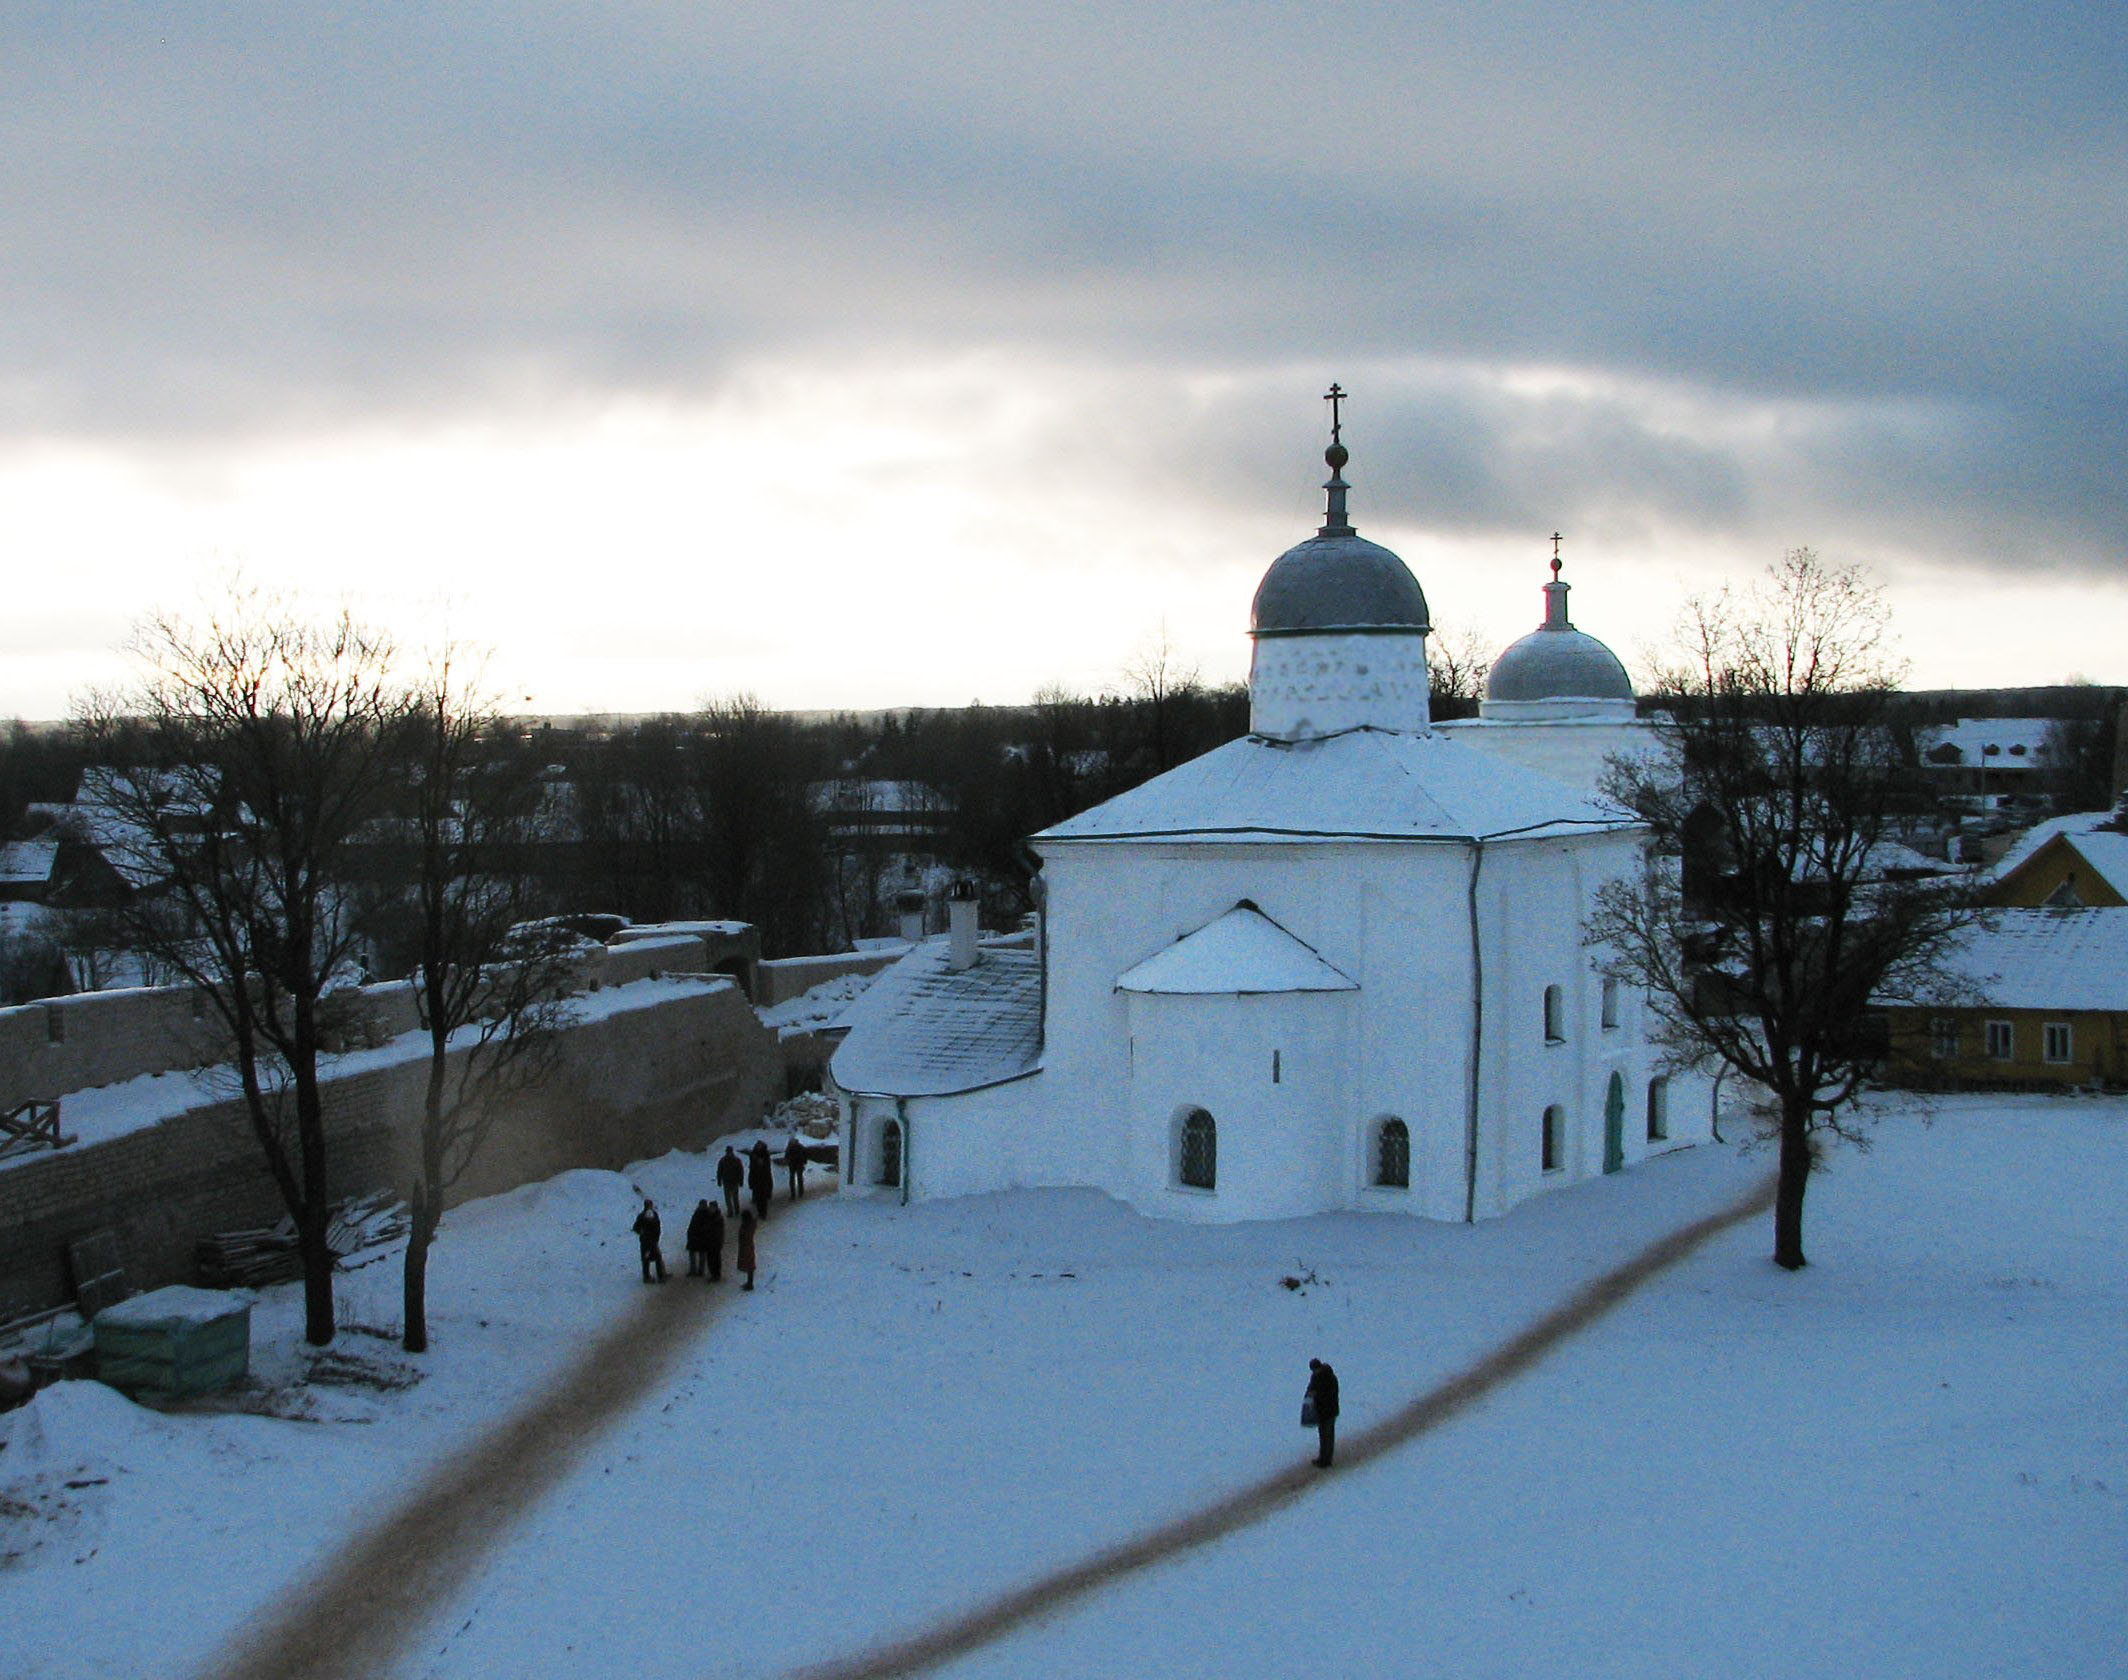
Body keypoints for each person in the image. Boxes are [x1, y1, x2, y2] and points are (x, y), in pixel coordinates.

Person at [1305, 1357, 1339, 1468]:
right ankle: (1323, 1458)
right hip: (1324, 1411)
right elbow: (1311, 1390)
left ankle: (1326, 1460)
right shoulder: (1319, 1377)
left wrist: (1316, 1397)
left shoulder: (1327, 1378)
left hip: (1328, 1411)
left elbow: (1327, 1394)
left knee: (1327, 1436)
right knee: (1324, 1436)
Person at [685, 1198, 722, 1280]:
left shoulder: (705, 1215)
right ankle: (698, 1270)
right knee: (699, 1254)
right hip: (697, 1237)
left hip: (700, 1237)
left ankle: (698, 1270)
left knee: (701, 1254)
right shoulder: (706, 1214)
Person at [632, 1199, 667, 1284]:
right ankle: (660, 1276)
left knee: (647, 1259)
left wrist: (642, 1233)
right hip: (650, 1241)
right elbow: (658, 1227)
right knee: (656, 1257)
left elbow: (636, 1228)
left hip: (646, 1241)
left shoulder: (642, 1216)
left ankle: (648, 1276)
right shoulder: (653, 1215)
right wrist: (656, 1237)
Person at [748, 1139, 774, 1220]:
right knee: (759, 1198)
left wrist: (769, 1184)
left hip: (764, 1180)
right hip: (756, 1179)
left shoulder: (765, 1155)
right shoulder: (753, 1155)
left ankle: (763, 1213)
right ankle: (760, 1212)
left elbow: (768, 1170)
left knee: (763, 1198)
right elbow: (752, 1170)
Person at [716, 1145, 745, 1217]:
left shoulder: (737, 1161)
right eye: (727, 1152)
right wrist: (719, 1180)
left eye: (729, 1152)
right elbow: (719, 1171)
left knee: (735, 1197)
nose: (728, 1153)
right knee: (728, 1198)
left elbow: (740, 1172)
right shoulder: (722, 1161)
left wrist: (741, 1181)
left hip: (734, 1182)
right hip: (726, 1182)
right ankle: (730, 1211)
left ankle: (737, 1210)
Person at [737, 1208, 758, 1291]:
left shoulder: (747, 1227)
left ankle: (750, 1283)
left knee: (749, 1264)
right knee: (750, 1264)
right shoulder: (750, 1225)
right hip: (748, 1246)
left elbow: (745, 1236)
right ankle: (749, 1282)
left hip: (746, 1247)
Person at [783, 1133, 809, 1200]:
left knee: (794, 1179)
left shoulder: (791, 1147)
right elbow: (805, 1154)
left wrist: (787, 1161)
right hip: (797, 1164)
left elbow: (786, 1156)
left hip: (795, 1164)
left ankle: (795, 1194)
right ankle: (799, 1192)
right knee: (798, 1178)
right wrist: (804, 1161)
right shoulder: (800, 1146)